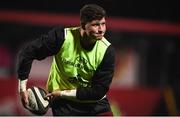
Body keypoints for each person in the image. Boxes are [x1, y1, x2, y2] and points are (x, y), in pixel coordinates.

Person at [17, 4, 115, 116]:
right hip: (64, 106)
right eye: (96, 25)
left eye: (103, 24)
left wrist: (62, 93)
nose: (101, 29)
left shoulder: (107, 51)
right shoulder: (61, 38)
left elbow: (98, 91)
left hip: (95, 105)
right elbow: (27, 53)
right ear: (83, 25)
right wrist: (22, 88)